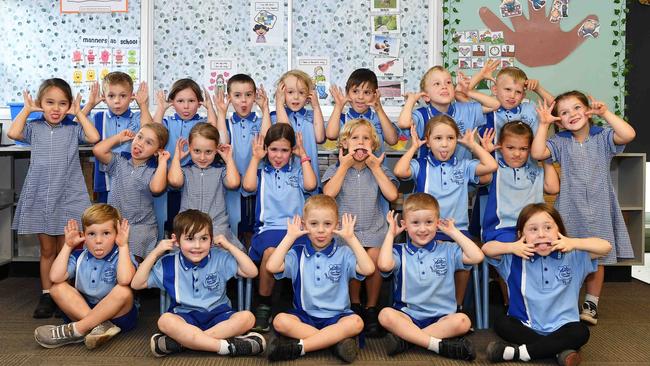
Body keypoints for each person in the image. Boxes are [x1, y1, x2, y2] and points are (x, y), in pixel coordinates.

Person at [531, 92, 636, 325]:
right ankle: (565, 300)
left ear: (588, 111)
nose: (572, 115)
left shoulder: (603, 137)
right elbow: (538, 153)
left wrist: (605, 112)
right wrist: (543, 125)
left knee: (597, 257)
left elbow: (628, 133)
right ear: (559, 119)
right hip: (570, 206)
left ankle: (591, 303)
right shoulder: (560, 141)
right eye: (564, 113)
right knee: (566, 253)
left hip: (600, 205)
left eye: (577, 108)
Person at [8, 78, 100, 318]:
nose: (56, 109)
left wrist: (79, 113)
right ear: (41, 104)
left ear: (69, 105)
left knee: (66, 250)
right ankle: (48, 293)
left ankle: (65, 293)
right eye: (49, 103)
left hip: (68, 196)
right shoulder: (34, 127)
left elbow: (94, 137)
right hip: (42, 196)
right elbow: (13, 132)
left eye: (62, 103)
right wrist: (28, 109)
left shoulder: (72, 129)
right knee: (47, 251)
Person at [483, 203, 612, 365]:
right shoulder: (513, 258)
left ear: (559, 231)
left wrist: (574, 243)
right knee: (502, 323)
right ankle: (558, 350)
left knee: (581, 332)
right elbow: (487, 249)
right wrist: (511, 247)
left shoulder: (573, 256)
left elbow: (605, 246)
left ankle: (517, 353)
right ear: (520, 234)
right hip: (525, 326)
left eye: (548, 228)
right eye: (533, 229)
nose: (541, 234)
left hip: (564, 327)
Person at [394, 115, 497, 308]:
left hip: (456, 229)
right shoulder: (421, 164)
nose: (445, 144)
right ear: (428, 140)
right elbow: (400, 171)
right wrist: (414, 147)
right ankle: (424, 305)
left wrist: (473, 146)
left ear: (457, 141)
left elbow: (491, 166)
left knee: (463, 265)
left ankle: (456, 306)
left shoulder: (464, 165)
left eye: (450, 138)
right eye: (438, 138)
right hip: (425, 230)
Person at [131, 209, 265, 357]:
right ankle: (225, 346)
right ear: (176, 240)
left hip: (218, 315)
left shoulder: (219, 257)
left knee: (247, 317)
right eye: (190, 239)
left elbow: (252, 272)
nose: (197, 245)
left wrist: (229, 246)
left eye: (203, 239)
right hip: (184, 316)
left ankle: (185, 343)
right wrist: (156, 252)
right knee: (164, 321)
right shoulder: (168, 263)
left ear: (211, 239)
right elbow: (137, 284)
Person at [265, 195, 375, 363]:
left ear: (337, 225)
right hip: (305, 317)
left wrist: (351, 239)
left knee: (356, 322)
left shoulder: (344, 253)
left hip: (338, 317)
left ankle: (300, 347)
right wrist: (289, 237)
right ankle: (334, 343)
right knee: (280, 321)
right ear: (304, 225)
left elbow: (369, 269)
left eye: (327, 224)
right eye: (314, 224)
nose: (321, 230)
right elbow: (272, 267)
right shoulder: (298, 253)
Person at [377, 193, 483, 360]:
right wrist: (390, 234)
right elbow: (383, 265)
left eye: (429, 222)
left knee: (463, 321)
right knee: (384, 315)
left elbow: (477, 257)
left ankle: (408, 340)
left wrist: (454, 232)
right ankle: (438, 345)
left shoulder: (447, 249)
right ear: (404, 225)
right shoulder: (399, 251)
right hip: (408, 316)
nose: (422, 229)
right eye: (415, 223)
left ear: (437, 223)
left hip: (442, 318)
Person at [322, 118, 398, 336]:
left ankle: (371, 307)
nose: (360, 142)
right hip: (346, 235)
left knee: (373, 258)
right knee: (353, 258)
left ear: (373, 146)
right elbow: (328, 194)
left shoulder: (379, 169)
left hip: (374, 230)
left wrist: (375, 168)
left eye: (366, 138)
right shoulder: (336, 169)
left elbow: (392, 194)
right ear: (344, 144)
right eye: (355, 138)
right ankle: (354, 304)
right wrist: (344, 165)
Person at [242, 123, 317, 332]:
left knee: (309, 253)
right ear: (266, 149)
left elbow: (311, 186)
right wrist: (255, 158)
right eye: (273, 149)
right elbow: (248, 186)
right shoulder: (261, 171)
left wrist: (303, 156)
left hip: (297, 229)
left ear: (292, 150)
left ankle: (304, 305)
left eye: (284, 150)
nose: (278, 155)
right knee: (270, 252)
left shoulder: (298, 168)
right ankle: (264, 305)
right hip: (268, 229)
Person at [34, 204, 138, 349]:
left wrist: (123, 246)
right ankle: (99, 327)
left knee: (124, 291)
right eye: (91, 234)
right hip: (83, 310)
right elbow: (55, 277)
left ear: (117, 234)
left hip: (118, 316)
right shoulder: (79, 256)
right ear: (83, 235)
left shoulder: (122, 255)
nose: (98, 240)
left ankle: (78, 330)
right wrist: (68, 246)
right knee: (57, 288)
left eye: (106, 233)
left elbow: (125, 279)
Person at [152, 78, 219, 237]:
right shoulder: (168, 122)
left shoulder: (202, 122)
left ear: (199, 102)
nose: (186, 106)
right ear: (172, 102)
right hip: (170, 178)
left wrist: (210, 108)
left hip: (193, 180)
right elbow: (154, 132)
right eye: (180, 101)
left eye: (191, 101)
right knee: (172, 219)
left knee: (192, 219)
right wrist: (161, 108)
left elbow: (213, 132)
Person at [92, 124, 170, 260]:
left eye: (148, 143)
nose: (140, 144)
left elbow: (157, 188)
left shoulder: (154, 170)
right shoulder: (119, 160)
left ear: (157, 150)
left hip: (141, 227)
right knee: (110, 260)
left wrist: (162, 161)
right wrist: (118, 138)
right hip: (114, 223)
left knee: (131, 263)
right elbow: (98, 150)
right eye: (139, 137)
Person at [214, 74, 271, 244]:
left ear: (255, 96)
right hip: (234, 183)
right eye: (237, 96)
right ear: (229, 97)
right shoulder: (227, 122)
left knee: (255, 229)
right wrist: (221, 112)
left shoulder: (262, 121)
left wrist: (265, 110)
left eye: (248, 95)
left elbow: (267, 142)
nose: (244, 101)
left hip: (258, 181)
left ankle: (254, 264)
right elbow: (222, 143)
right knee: (234, 227)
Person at [396, 65, 498, 159]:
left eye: (448, 82)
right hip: (430, 174)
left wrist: (467, 91)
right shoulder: (421, 115)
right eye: (437, 83)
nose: (444, 86)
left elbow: (495, 104)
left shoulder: (465, 109)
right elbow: (403, 123)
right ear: (426, 96)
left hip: (462, 174)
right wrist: (411, 100)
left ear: (453, 91)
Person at [81, 72, 153, 203]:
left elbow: (151, 132)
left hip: (133, 180)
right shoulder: (98, 118)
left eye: (123, 96)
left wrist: (143, 105)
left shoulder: (137, 117)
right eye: (111, 96)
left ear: (132, 97)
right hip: (105, 181)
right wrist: (90, 104)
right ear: (103, 97)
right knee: (107, 219)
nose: (117, 101)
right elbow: (73, 129)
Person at [167, 123, 242, 248]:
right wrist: (177, 158)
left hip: (216, 228)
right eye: (196, 151)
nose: (202, 157)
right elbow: (174, 181)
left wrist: (229, 159)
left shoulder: (221, 171)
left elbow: (234, 183)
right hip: (188, 228)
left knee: (228, 257)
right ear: (189, 148)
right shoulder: (185, 170)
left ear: (216, 150)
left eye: (208, 152)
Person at [272, 70, 325, 186]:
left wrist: (316, 107)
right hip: (287, 183)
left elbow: (320, 137)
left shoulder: (312, 115)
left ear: (309, 95)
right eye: (290, 92)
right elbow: (286, 133)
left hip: (311, 178)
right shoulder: (274, 117)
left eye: (301, 93)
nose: (296, 97)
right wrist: (279, 104)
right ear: (281, 94)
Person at [325, 68, 398, 153]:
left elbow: (392, 140)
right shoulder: (341, 118)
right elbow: (331, 135)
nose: (360, 97)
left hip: (376, 166)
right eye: (355, 91)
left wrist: (379, 110)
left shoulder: (379, 118)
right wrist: (338, 106)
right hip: (347, 166)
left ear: (375, 94)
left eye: (366, 92)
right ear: (347, 92)